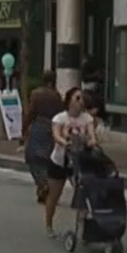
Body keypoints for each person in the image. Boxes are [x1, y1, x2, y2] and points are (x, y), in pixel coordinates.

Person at [43, 86, 99, 238]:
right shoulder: (60, 118)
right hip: (60, 160)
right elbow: (56, 135)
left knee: (84, 193)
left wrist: (91, 141)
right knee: (54, 195)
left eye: (82, 99)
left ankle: (83, 228)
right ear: (69, 101)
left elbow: (92, 135)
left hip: (79, 161)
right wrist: (64, 142)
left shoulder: (87, 118)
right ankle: (49, 224)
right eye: (77, 98)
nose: (81, 102)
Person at [21, 71, 63, 205]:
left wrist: (24, 127)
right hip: (51, 127)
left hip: (39, 126)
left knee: (32, 157)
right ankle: (42, 187)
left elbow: (31, 112)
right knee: (46, 158)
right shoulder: (57, 96)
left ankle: (42, 184)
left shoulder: (36, 94)